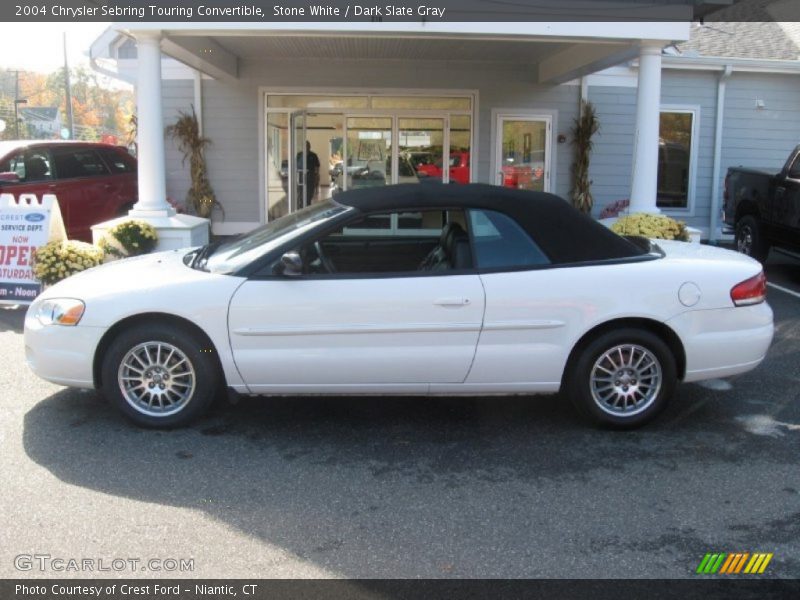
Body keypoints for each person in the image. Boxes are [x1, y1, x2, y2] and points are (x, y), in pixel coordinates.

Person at [296, 141, 320, 208]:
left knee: (309, 194)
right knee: (301, 194)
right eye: (305, 146)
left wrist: (317, 176)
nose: (306, 147)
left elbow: (317, 166)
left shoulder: (313, 155)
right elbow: (296, 165)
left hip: (310, 176)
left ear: (309, 147)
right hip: (301, 176)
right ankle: (300, 208)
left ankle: (308, 207)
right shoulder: (299, 155)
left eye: (307, 146)